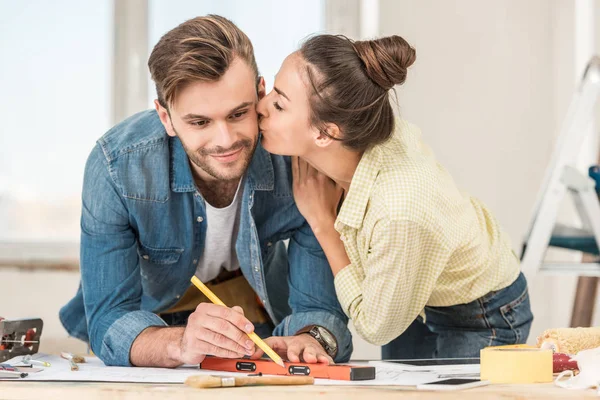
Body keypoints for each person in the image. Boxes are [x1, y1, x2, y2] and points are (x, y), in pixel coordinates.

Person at [59, 15, 351, 367]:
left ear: (260, 93)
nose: (225, 140)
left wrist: (310, 339)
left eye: (238, 114)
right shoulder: (117, 167)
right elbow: (108, 320)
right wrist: (182, 343)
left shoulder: (299, 162)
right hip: (149, 330)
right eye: (199, 122)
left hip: (259, 324)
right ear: (166, 118)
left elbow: (320, 308)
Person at [256, 34, 534, 359]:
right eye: (273, 89)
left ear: (326, 132)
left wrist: (323, 225)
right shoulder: (361, 131)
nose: (260, 106)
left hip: (481, 314)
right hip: (417, 297)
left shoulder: (399, 209)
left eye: (279, 104)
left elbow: (375, 327)